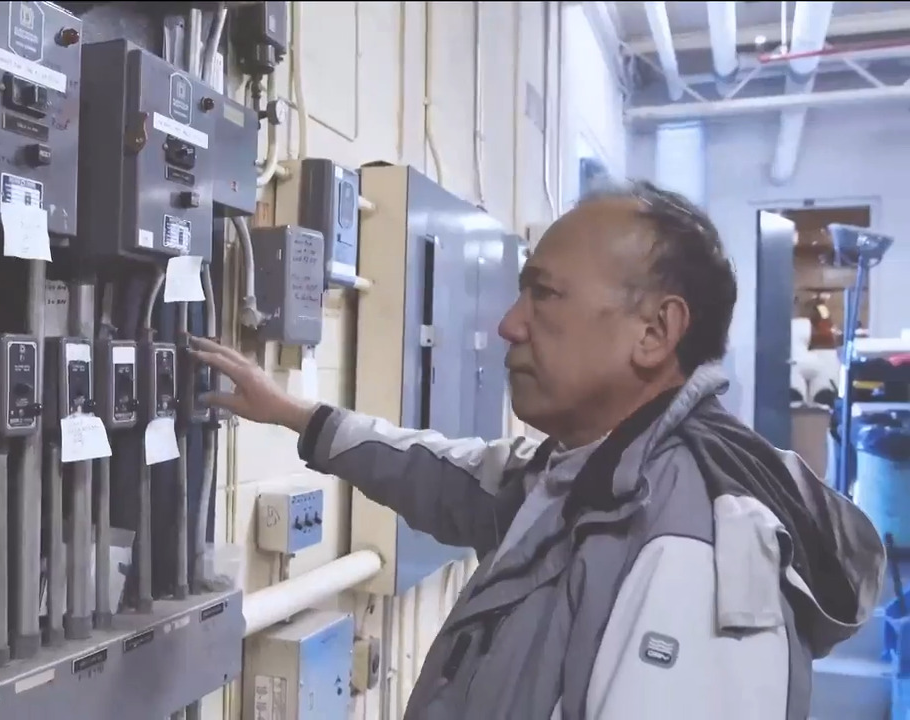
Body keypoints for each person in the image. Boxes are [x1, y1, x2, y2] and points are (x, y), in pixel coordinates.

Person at [188, 180, 884, 720]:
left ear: (654, 332)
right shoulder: (587, 471)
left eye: (543, 295)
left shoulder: (695, 554)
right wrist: (295, 414)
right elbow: (448, 475)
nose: (509, 324)